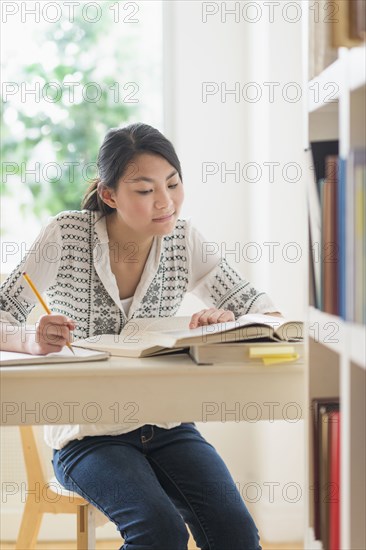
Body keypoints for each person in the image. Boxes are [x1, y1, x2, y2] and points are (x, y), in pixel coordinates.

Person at [0, 123, 282, 549]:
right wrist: (33, 341)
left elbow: (267, 313)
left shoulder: (184, 240)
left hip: (167, 425)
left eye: (172, 183)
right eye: (145, 190)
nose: (165, 202)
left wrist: (226, 323)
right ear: (111, 195)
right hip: (87, 436)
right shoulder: (66, 234)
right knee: (159, 530)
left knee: (236, 532)